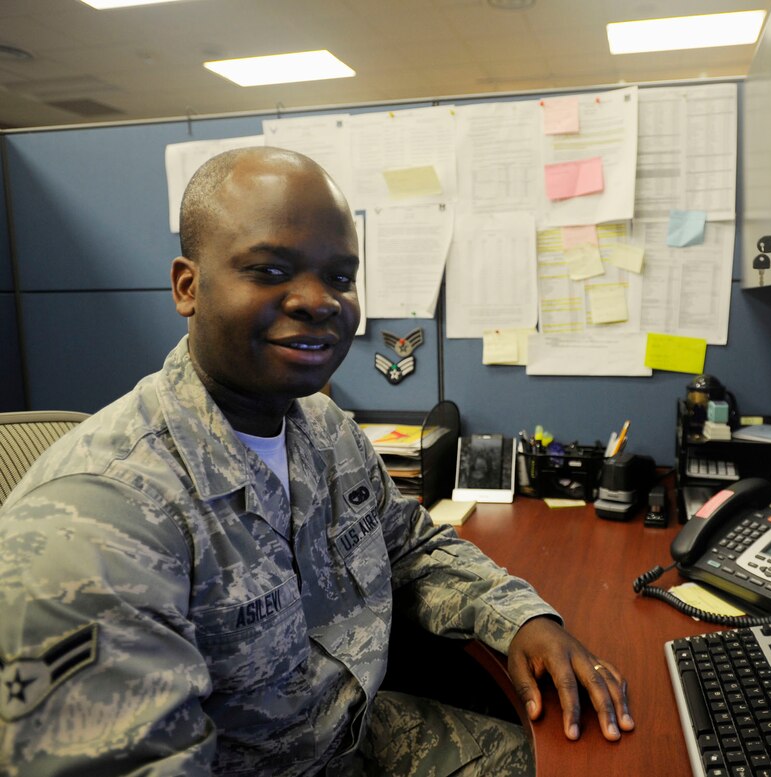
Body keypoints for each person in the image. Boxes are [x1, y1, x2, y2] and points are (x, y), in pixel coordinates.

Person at [0, 146, 633, 776]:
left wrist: (521, 619)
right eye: (271, 270)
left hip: (352, 742)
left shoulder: (324, 429)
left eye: (339, 277)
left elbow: (412, 548)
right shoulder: (98, 520)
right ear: (187, 286)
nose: (318, 300)